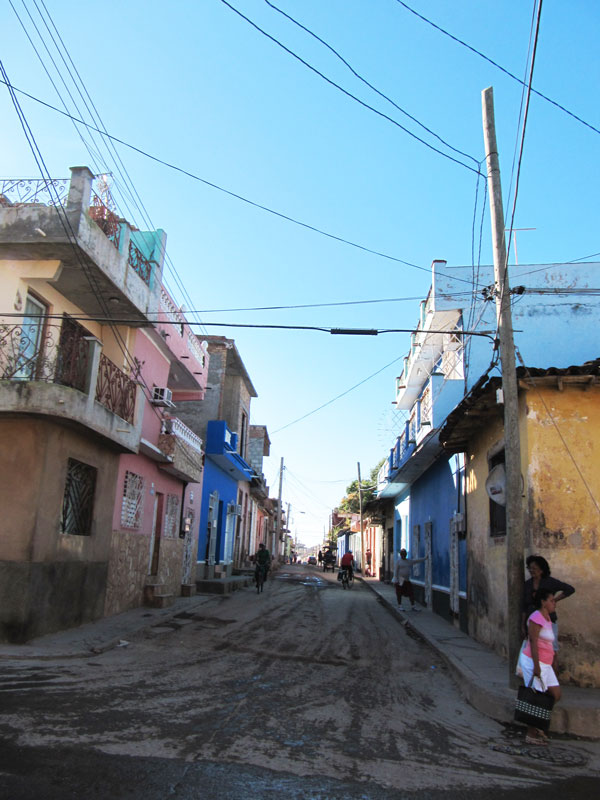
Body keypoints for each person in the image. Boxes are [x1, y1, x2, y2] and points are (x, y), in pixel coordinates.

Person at [517, 588, 561, 745]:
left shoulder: (547, 617)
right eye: (551, 600)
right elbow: (533, 642)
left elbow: (548, 642)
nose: (554, 603)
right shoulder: (536, 617)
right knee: (537, 697)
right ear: (543, 602)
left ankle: (539, 726)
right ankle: (531, 734)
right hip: (534, 661)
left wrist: (553, 662)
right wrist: (536, 666)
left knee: (555, 694)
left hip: (545, 663)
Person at [522, 555, 574, 665]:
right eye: (530, 568)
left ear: (541, 570)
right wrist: (523, 624)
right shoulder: (527, 584)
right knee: (533, 645)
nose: (532, 571)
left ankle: (553, 674)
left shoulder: (550, 582)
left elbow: (569, 589)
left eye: (534, 568)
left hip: (548, 619)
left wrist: (554, 600)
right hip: (532, 619)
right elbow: (524, 605)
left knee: (551, 649)